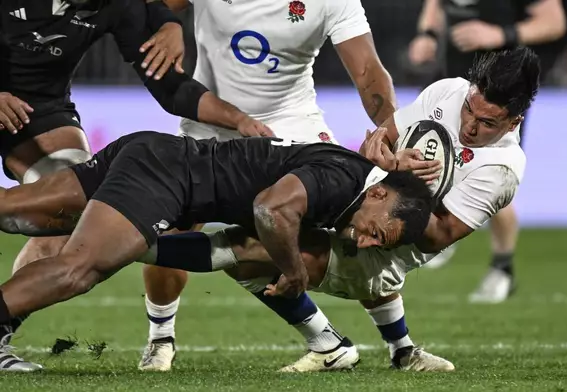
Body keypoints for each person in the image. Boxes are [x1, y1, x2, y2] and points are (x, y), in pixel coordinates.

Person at [197, 47, 538, 372]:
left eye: (488, 123)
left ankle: (328, 345)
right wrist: (381, 158)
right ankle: (402, 350)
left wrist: (392, 180)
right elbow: (377, 142)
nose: (470, 126)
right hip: (362, 200)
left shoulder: (502, 169)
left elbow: (435, 238)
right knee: (268, 213)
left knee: (245, 251)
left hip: (386, 250)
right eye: (469, 110)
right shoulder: (449, 91)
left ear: (513, 122)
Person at [0, 0, 272, 371]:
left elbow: (171, 88)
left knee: (78, 211)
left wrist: (239, 120)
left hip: (37, 113)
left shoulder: (114, 4)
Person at [139, 0, 398, 371]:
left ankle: (401, 345)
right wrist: (169, 26)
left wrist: (394, 136)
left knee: (353, 217)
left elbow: (368, 71)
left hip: (291, 123)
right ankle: (161, 338)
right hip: (211, 122)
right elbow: (155, 7)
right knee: (170, 229)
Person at [0, 131, 436, 338]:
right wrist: (295, 271)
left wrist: (139, 249)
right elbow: (271, 208)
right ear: (379, 194)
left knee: (20, 213)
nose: (365, 243)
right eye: (378, 232)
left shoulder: (346, 187)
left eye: (380, 246)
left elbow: (235, 247)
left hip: (155, 152)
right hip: (167, 177)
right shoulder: (343, 181)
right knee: (80, 270)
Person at [406, 0, 566, 303]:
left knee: (492, 174)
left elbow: (554, 22)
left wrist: (500, 34)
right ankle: (441, 221)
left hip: (500, 100)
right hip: (458, 88)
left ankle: (501, 267)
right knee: (427, 154)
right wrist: (427, 34)